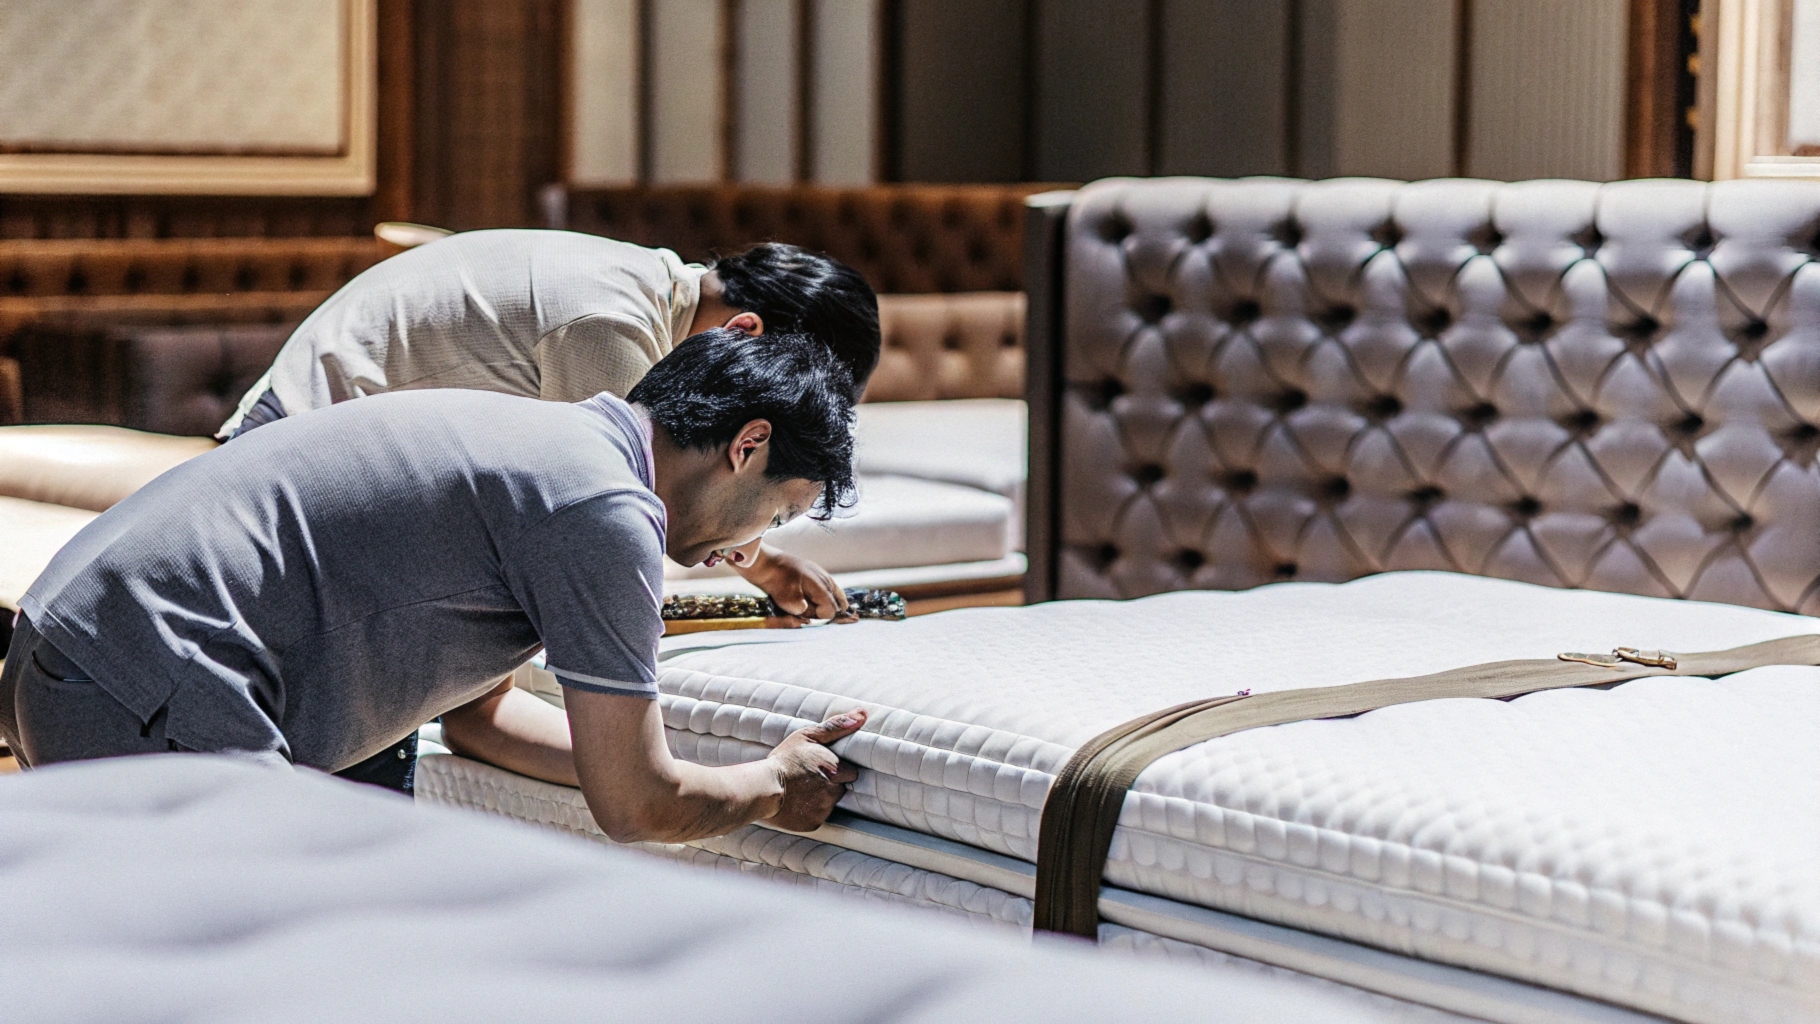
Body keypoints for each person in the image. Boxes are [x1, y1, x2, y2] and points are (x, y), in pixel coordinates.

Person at [0, 329, 866, 842]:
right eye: (777, 515)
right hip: (147, 674)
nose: (750, 549)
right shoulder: (603, 509)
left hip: (75, 651)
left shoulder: (549, 447)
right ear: (747, 446)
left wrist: (694, 767)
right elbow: (636, 805)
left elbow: (481, 717)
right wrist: (772, 788)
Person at [222, 230, 880, 626]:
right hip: (295, 453)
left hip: (343, 453)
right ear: (746, 333)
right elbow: (619, 524)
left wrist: (760, 566)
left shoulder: (648, 286)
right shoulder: (611, 328)